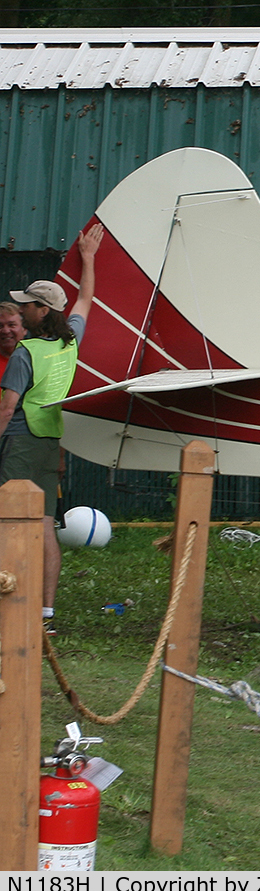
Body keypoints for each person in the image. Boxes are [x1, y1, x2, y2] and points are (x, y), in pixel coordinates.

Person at [0, 225, 103, 632]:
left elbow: (8, 409)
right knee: (44, 525)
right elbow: (86, 298)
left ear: (42, 311)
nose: (21, 310)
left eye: (27, 305)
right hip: (49, 442)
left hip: (21, 442)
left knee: (7, 521)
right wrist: (88, 258)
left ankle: (10, 602)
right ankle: (45, 614)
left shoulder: (26, 351)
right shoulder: (69, 341)